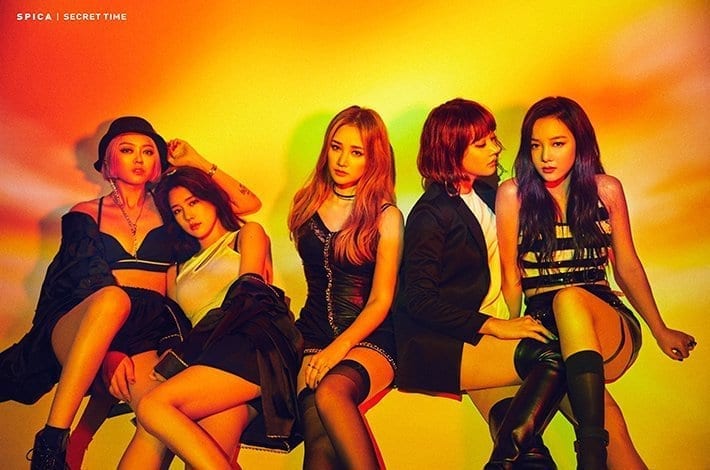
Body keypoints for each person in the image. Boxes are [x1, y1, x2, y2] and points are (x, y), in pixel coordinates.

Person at [0, 117, 261, 470]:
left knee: (159, 419)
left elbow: (243, 205)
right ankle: (51, 443)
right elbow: (80, 283)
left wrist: (196, 160)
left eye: (148, 151)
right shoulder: (85, 214)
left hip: (145, 333)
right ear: (108, 162)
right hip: (84, 321)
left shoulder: (172, 210)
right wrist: (107, 350)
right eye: (127, 150)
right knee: (113, 299)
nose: (138, 158)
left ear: (157, 163)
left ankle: (77, 447)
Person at [496, 96, 697, 469]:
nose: (545, 156)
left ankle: (588, 458)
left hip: (604, 323)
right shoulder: (514, 194)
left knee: (570, 298)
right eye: (536, 145)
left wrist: (660, 329)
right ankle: (590, 453)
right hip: (550, 335)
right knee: (614, 433)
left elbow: (627, 266)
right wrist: (512, 324)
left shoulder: (605, 190)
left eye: (558, 143)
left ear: (580, 143)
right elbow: (512, 274)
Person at [394, 98, 566, 469]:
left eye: (493, 138)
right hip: (449, 344)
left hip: (491, 337)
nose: (496, 148)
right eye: (482, 142)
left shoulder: (489, 194)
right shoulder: (430, 214)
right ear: (451, 148)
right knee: (555, 353)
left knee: (530, 447)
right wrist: (496, 326)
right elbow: (418, 299)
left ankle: (505, 460)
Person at [112, 166, 302, 469]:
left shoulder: (245, 235)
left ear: (212, 199)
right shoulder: (175, 271)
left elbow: (248, 297)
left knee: (153, 407)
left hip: (249, 348)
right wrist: (117, 353)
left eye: (194, 202)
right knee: (165, 437)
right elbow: (170, 326)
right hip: (207, 363)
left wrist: (192, 158)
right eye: (177, 210)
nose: (188, 215)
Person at [287, 105, 403, 469]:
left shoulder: (386, 216)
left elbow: (381, 300)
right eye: (336, 147)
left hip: (370, 338)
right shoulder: (305, 203)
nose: (342, 160)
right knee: (319, 443)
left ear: (373, 159)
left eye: (356, 152)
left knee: (332, 391)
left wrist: (338, 349)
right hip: (312, 336)